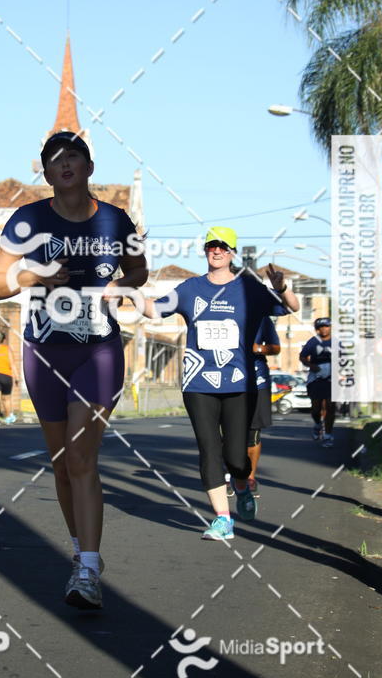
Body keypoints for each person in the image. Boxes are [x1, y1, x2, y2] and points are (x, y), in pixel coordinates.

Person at [0, 131, 148, 609]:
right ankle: (81, 556)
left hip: (98, 350)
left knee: (81, 459)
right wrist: (33, 275)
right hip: (43, 351)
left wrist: (120, 285)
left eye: (73, 156)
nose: (65, 164)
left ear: (89, 167)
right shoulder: (28, 220)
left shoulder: (117, 220)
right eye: (54, 160)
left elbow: (138, 271)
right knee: (61, 465)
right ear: (47, 172)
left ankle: (90, 570)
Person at [137, 226, 299, 541]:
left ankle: (241, 484)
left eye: (223, 247)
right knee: (208, 448)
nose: (217, 251)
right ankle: (222, 519)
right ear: (205, 250)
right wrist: (130, 291)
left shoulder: (250, 289)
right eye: (212, 245)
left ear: (233, 253)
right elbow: (153, 310)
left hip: (240, 382)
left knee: (236, 456)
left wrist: (282, 287)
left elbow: (291, 307)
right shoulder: (190, 289)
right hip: (198, 381)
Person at [246, 317, 281, 496]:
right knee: (228, 433)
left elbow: (275, 347)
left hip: (257, 381)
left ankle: (250, 477)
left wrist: (258, 348)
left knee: (253, 433)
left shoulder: (262, 318)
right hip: (226, 380)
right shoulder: (220, 310)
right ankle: (232, 474)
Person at [300, 317, 334, 447]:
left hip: (331, 378)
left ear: (330, 327)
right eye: (321, 327)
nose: (324, 329)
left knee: (330, 407)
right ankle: (317, 423)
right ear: (317, 329)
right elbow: (302, 356)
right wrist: (311, 365)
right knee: (316, 407)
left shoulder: (336, 342)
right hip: (316, 377)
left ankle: (328, 435)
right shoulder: (313, 342)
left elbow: (344, 358)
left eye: (326, 326)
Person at [0, 331, 19, 425]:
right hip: (6, 376)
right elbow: (12, 364)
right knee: (6, 398)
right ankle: (9, 417)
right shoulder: (7, 349)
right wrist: (17, 377)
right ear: (4, 340)